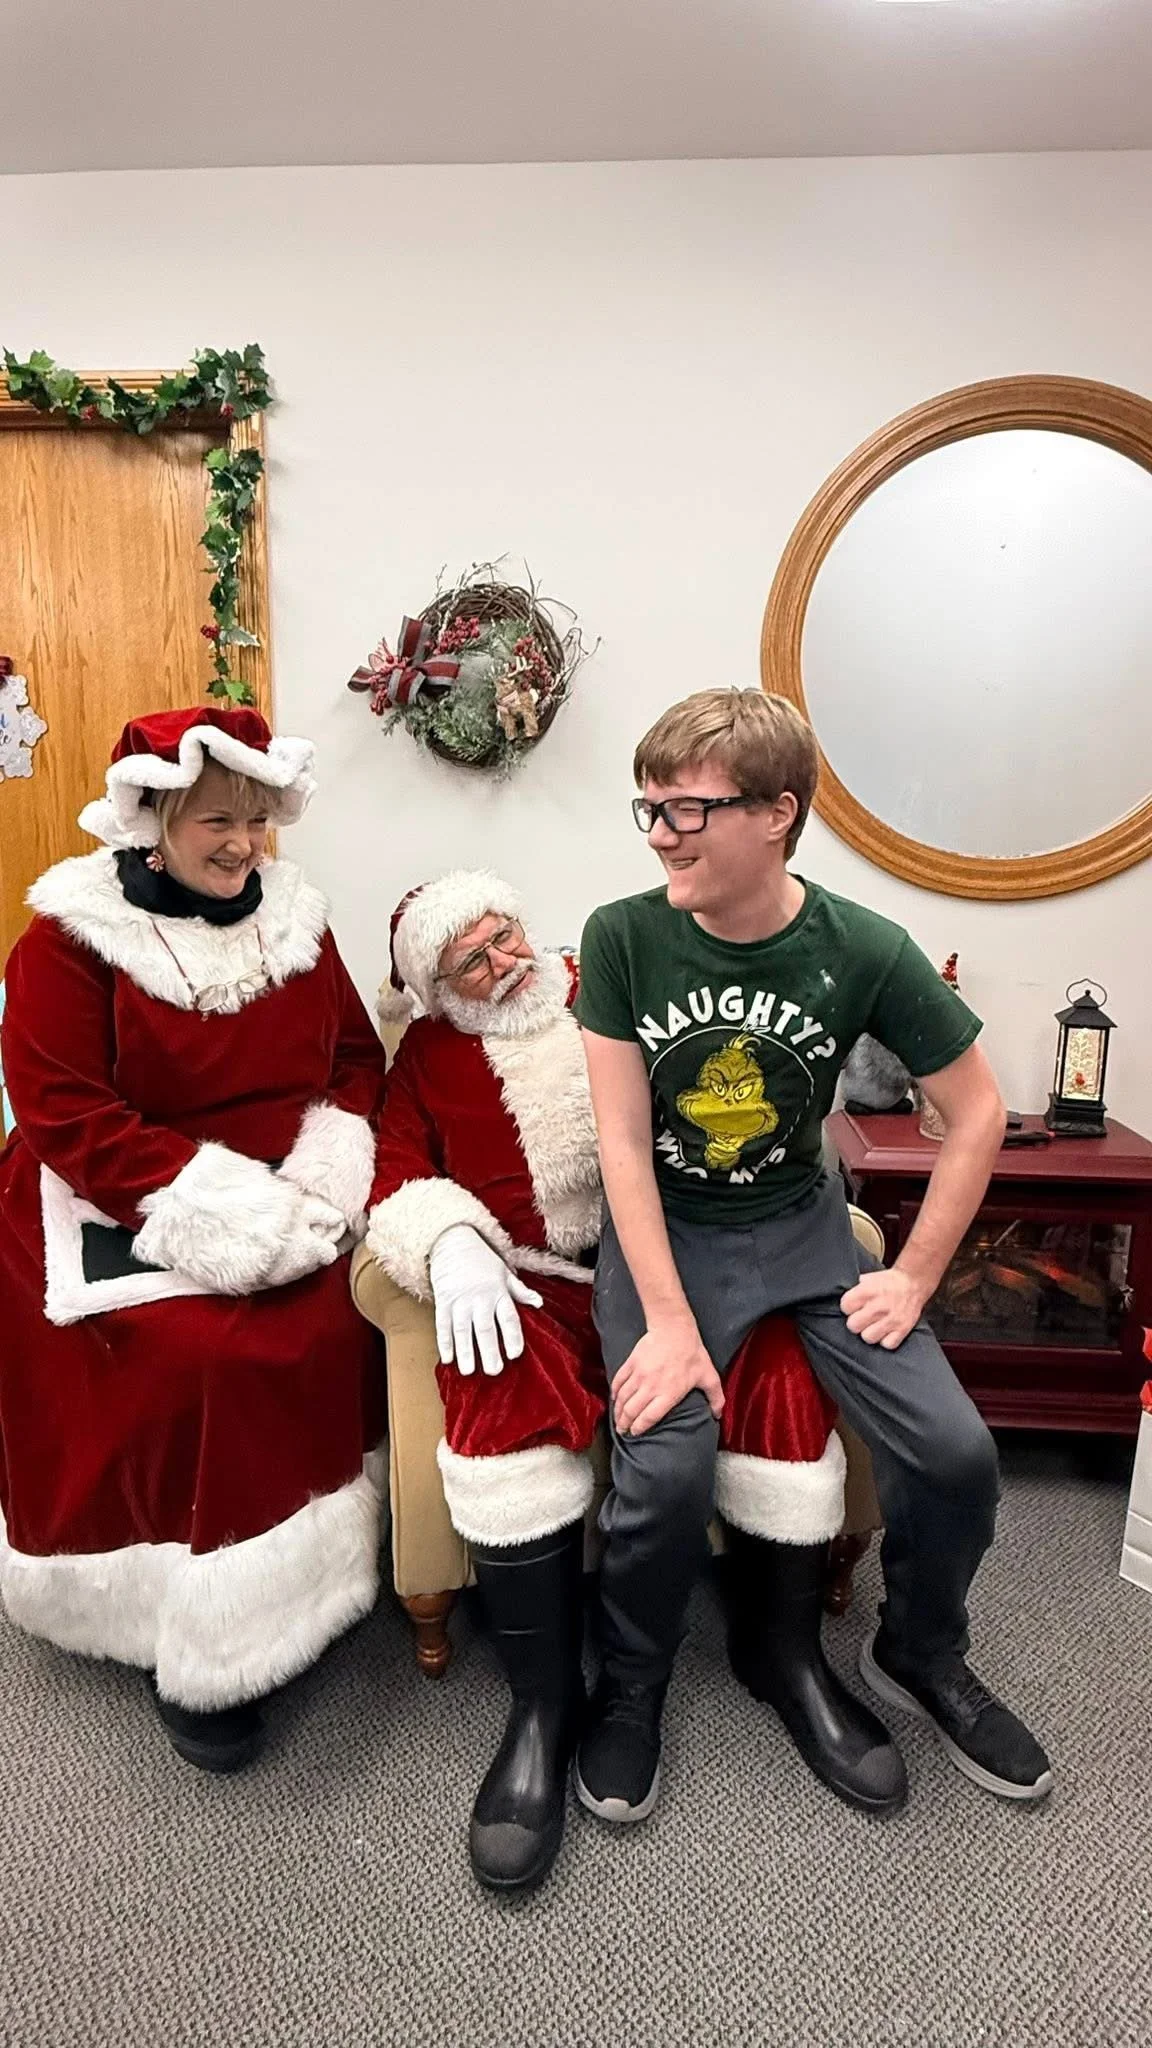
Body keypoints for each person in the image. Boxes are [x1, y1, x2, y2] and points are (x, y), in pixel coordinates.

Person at [574, 687, 1054, 1827]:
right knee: (667, 1464)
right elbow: (621, 1148)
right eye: (646, 807)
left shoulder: (863, 946)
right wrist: (671, 1319)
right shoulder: (622, 935)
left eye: (686, 809)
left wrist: (916, 1273)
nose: (658, 833)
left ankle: (921, 1649)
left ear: (776, 812)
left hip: (803, 1234)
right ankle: (632, 1686)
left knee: (957, 1452)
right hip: (669, 1244)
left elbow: (976, 1112)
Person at [363, 869, 878, 1893]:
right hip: (535, 1286)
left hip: (678, 1269)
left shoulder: (613, 983)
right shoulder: (426, 1054)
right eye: (473, 958)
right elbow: (391, 1172)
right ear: (437, 986)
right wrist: (450, 1241)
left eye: (507, 933)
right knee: (496, 1392)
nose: (505, 963)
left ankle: (782, 1651)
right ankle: (545, 1701)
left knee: (781, 1378)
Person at [0, 706, 388, 1773]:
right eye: (217, 820)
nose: (242, 845)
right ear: (153, 818)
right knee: (204, 1357)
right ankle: (197, 1644)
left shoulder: (297, 917)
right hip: (114, 1190)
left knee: (331, 1320)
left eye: (258, 822)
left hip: (288, 1191)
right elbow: (62, 1110)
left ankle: (310, 1585)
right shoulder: (66, 939)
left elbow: (355, 1059)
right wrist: (220, 1214)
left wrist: (322, 1169)